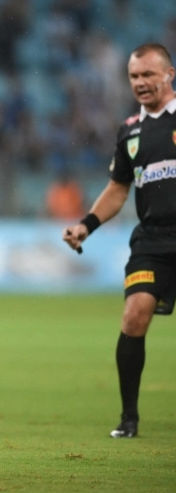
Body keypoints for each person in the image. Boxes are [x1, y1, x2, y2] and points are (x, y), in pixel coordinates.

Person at [63, 43, 176, 439]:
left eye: (148, 74)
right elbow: (117, 189)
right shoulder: (131, 130)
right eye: (134, 76)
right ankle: (129, 419)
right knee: (132, 317)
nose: (140, 83)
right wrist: (85, 225)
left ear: (169, 74)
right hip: (152, 239)